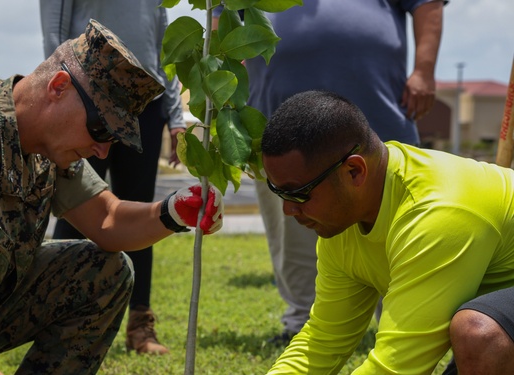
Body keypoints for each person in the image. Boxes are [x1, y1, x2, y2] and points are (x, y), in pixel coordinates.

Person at [0, 19, 223, 374]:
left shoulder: (43, 141)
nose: (103, 151)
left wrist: (174, 212)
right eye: (100, 129)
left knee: (104, 272)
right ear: (59, 86)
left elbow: (107, 219)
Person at [213, 0, 444, 345]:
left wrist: (424, 70)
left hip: (380, 125)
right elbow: (220, 16)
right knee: (293, 228)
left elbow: (428, 4)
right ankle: (302, 324)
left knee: (397, 233)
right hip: (277, 130)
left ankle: (400, 326)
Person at [262, 89, 514, 374]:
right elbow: (324, 340)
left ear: (354, 171)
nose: (288, 210)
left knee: (479, 333)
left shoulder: (437, 214)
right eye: (277, 192)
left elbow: (395, 367)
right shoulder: (342, 220)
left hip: (494, 332)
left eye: (298, 193)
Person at [39, 0, 186, 355]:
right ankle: (55, 323)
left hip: (146, 105)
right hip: (88, 100)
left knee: (145, 213)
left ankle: (140, 326)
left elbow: (164, 43)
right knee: (77, 211)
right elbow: (54, 37)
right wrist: (61, 103)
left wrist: (176, 116)